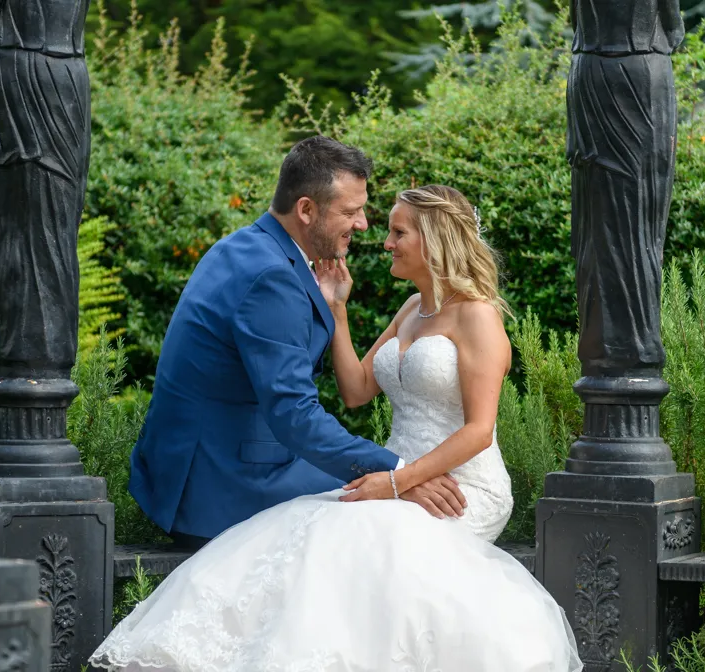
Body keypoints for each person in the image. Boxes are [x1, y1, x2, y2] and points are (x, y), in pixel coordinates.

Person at [91, 184, 583, 671]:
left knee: (356, 541)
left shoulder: (478, 316)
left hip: (459, 487)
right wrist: (338, 309)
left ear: (435, 239)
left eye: (398, 232)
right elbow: (357, 389)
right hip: (401, 481)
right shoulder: (412, 310)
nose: (385, 241)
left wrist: (397, 480)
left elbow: (479, 431)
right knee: (315, 523)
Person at [128, 136, 469, 550]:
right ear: (306, 209)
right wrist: (400, 475)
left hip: (198, 462)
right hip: (223, 484)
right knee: (392, 518)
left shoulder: (245, 247)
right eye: (351, 211)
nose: (363, 224)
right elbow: (295, 414)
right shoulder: (271, 277)